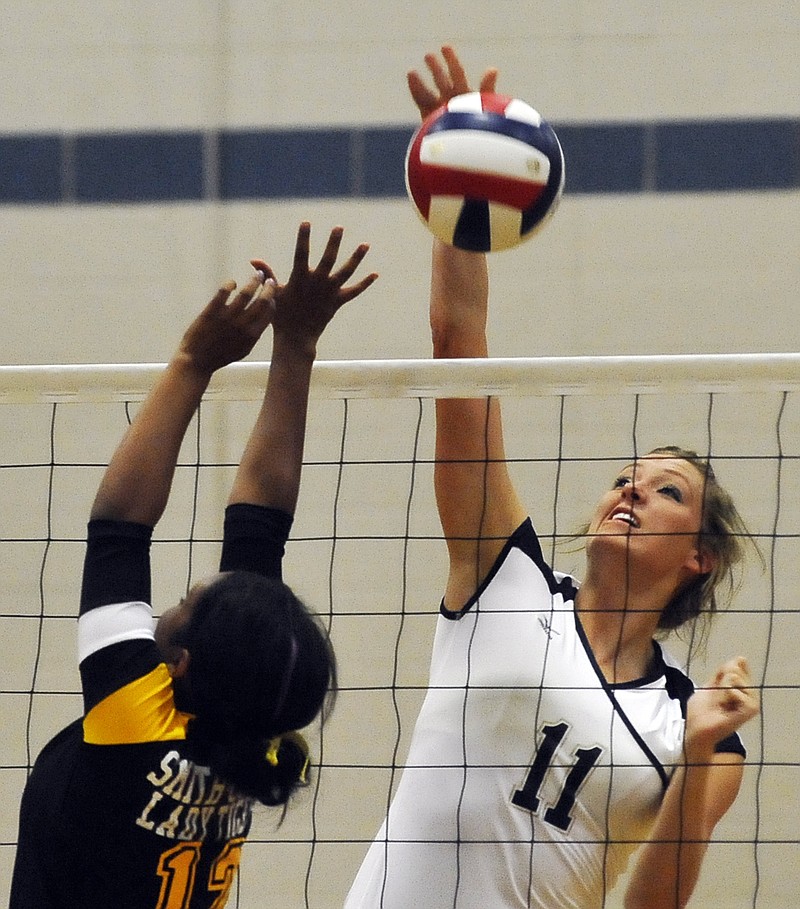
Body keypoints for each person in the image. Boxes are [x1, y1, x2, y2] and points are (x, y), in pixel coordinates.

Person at [344, 47, 760, 909]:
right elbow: (459, 346)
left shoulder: (694, 724)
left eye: (666, 490)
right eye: (626, 477)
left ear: (699, 559)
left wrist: (695, 762)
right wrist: (459, 197)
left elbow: (653, 905)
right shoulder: (507, 577)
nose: (631, 491)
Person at [10, 222, 378, 909]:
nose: (178, 598)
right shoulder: (246, 719)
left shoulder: (137, 722)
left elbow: (119, 528)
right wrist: (294, 346)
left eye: (186, 600)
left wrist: (192, 362)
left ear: (178, 664)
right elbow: (259, 519)